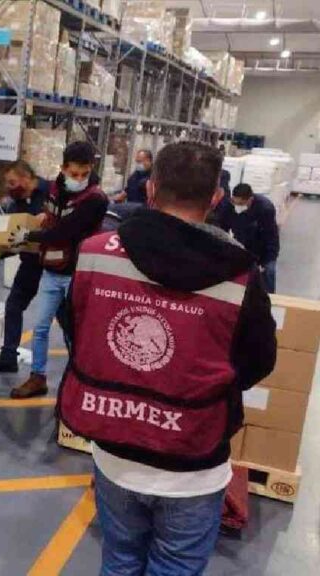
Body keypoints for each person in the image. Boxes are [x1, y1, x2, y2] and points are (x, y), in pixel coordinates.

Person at [59, 142, 277, 575]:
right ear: (216, 198)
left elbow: (76, 329)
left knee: (119, 562)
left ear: (151, 188)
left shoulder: (96, 252)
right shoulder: (240, 276)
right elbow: (258, 361)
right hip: (192, 460)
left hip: (114, 452)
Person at [9, 141, 108, 399]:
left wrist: (29, 236)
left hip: (78, 273)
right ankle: (37, 377)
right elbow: (51, 217)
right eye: (74, 173)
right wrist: (43, 218)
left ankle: (79, 382)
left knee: (75, 331)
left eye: (85, 173)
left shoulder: (96, 200)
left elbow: (64, 232)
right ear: (63, 168)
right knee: (40, 327)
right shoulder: (54, 189)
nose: (79, 179)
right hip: (52, 271)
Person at [0, 160, 49, 374]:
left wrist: (49, 219)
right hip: (31, 262)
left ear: (26, 177)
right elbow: (15, 239)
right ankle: (8, 357)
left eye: (12, 182)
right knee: (13, 306)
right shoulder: (16, 204)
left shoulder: (53, 193)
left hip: (55, 265)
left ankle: (78, 360)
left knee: (62, 315)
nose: (10, 188)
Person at [217, 183, 280, 294]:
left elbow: (271, 238)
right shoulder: (228, 207)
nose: (237, 206)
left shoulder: (265, 209)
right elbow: (222, 231)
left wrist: (265, 262)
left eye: (241, 204)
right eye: (235, 202)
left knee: (269, 272)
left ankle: (270, 296)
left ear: (250, 200)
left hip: (262, 248)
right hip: (242, 243)